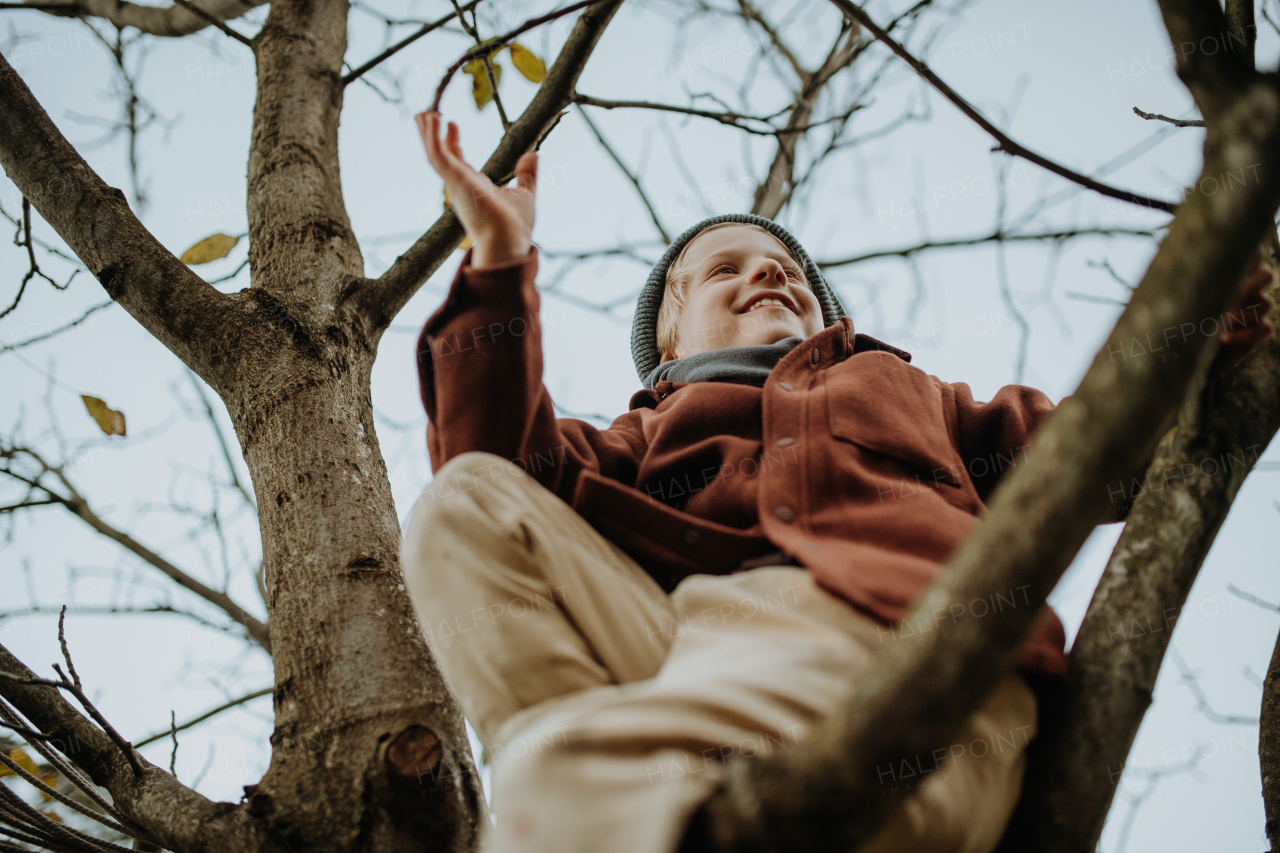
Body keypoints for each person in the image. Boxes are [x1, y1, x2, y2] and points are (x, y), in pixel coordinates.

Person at [400, 111, 1274, 853]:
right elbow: (489, 459)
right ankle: (639, 789)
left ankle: (619, 792)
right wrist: (499, 260)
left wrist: (1205, 327)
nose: (770, 273)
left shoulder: (903, 393)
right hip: (687, 657)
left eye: (788, 270)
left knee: (556, 782)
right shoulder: (638, 439)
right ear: (671, 340)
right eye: (726, 268)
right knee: (463, 503)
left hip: (897, 656)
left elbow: (1093, 440)